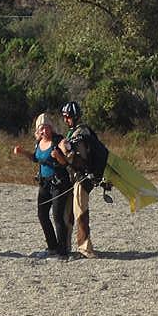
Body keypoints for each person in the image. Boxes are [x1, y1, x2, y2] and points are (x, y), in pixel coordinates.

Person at [13, 112, 72, 259]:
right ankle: (52, 247)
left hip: (59, 183)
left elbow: (65, 163)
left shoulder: (58, 141)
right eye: (41, 128)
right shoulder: (39, 142)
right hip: (44, 183)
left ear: (51, 128)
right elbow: (35, 158)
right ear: (38, 130)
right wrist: (22, 152)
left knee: (58, 216)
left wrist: (58, 156)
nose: (44, 130)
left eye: (47, 127)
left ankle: (63, 251)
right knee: (42, 215)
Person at [60, 100, 109, 258]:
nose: (66, 119)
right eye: (64, 116)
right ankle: (66, 246)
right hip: (76, 177)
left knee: (80, 212)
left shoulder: (81, 133)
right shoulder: (75, 132)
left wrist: (66, 152)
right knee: (69, 212)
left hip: (83, 177)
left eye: (68, 116)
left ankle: (85, 248)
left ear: (75, 116)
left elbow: (81, 160)